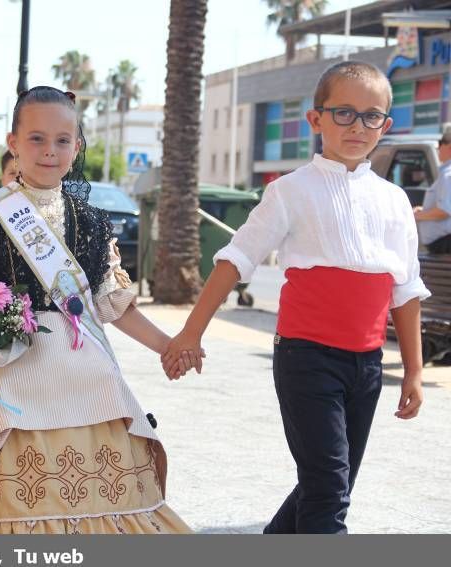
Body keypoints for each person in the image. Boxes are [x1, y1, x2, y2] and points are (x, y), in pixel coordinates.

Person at [0, 86, 190, 534]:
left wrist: (167, 345)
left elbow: (113, 302)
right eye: (36, 139)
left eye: (63, 140)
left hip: (83, 369)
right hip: (7, 368)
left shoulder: (90, 220)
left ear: (77, 145)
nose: (50, 151)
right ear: (13, 142)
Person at [162, 61, 430, 534]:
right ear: (316, 119)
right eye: (344, 113)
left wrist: (413, 371)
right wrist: (191, 331)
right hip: (307, 359)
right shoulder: (289, 191)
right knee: (329, 488)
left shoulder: (394, 202)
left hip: (367, 366)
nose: (357, 126)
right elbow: (235, 259)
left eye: (371, 116)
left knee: (324, 485)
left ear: (386, 126)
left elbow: (406, 292)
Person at [414, 124, 451, 253]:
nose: (438, 148)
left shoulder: (448, 174)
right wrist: (424, 210)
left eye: (440, 143)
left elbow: (444, 211)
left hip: (444, 245)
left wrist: (415, 216)